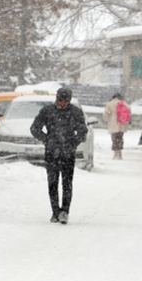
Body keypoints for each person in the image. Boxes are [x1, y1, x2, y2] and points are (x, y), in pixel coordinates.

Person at [30, 87, 88, 225]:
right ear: (56, 99)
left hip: (68, 153)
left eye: (65, 101)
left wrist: (73, 143)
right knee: (52, 183)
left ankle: (65, 212)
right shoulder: (47, 111)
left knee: (67, 183)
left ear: (69, 101)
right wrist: (46, 139)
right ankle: (55, 211)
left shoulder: (75, 112)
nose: (62, 104)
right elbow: (34, 128)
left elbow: (82, 131)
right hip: (51, 153)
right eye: (60, 100)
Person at [103, 92, 129, 159]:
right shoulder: (123, 103)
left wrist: (109, 120)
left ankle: (115, 153)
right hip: (121, 123)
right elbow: (129, 110)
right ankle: (120, 153)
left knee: (114, 139)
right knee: (120, 138)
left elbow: (105, 114)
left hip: (114, 122)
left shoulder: (110, 103)